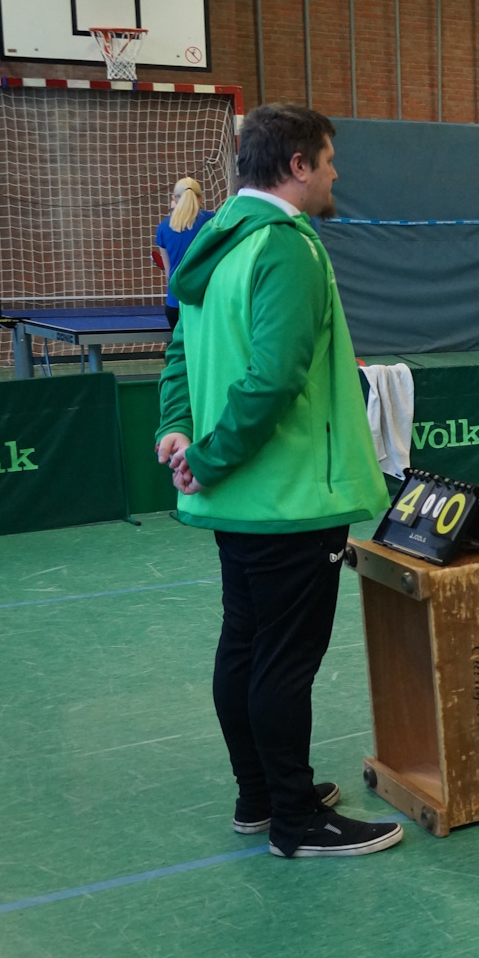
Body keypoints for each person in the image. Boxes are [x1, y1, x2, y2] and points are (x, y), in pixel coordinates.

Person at [153, 103, 399, 860]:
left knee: (245, 644)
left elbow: (179, 353)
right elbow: (275, 376)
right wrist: (210, 454)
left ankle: (259, 794)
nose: (334, 175)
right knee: (285, 662)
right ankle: (296, 821)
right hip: (290, 498)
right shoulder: (287, 246)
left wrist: (179, 430)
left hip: (235, 500)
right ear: (297, 165)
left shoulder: (217, 239)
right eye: (327, 160)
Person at [154, 177, 215, 329]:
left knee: (180, 345)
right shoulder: (213, 221)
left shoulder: (163, 227)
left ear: (174, 199)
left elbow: (168, 274)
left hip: (175, 303)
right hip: (205, 303)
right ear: (201, 198)